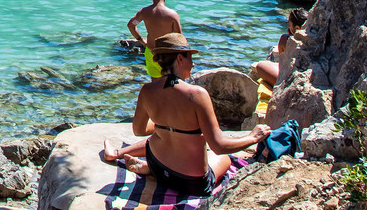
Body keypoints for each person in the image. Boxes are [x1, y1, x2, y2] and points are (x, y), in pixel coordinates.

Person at [100, 33, 271, 196]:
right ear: (180, 59)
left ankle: (142, 165)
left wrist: (166, 124)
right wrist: (253, 137)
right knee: (223, 158)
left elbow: (139, 130)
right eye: (190, 58)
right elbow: (219, 145)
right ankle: (143, 164)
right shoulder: (196, 94)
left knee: (163, 134)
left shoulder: (147, 91)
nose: (194, 64)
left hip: (159, 167)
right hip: (191, 183)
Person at [126, 0, 183, 78]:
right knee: (170, 84)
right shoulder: (172, 15)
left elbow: (131, 25)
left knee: (155, 85)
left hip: (150, 52)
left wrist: (142, 41)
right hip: (166, 55)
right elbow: (179, 37)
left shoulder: (144, 12)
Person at [251, 9, 309, 87]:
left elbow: (282, 64)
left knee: (261, 66)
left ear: (298, 28)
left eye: (290, 24)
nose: (288, 26)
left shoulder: (285, 39)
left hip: (292, 80)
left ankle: (281, 87)